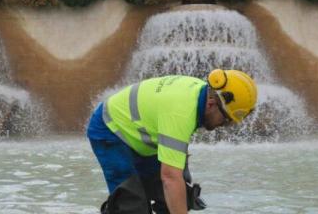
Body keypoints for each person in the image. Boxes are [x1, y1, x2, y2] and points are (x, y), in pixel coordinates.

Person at [87, 70, 258, 213]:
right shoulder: (181, 113)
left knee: (177, 196)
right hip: (110, 130)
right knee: (131, 203)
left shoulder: (201, 93)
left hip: (141, 134)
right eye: (226, 119)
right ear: (212, 104)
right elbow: (169, 177)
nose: (224, 125)